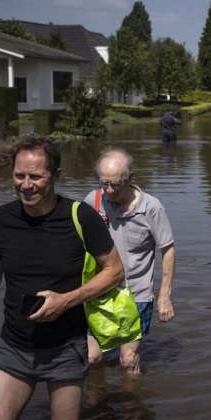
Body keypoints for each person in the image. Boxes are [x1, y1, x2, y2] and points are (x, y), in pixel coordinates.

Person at [0, 136, 125, 420]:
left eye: (36, 176)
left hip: (65, 348)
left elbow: (114, 271)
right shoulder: (2, 218)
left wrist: (67, 300)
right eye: (19, 176)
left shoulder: (80, 216)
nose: (26, 185)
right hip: (15, 345)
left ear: (56, 176)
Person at [83, 148, 175, 374]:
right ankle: (99, 393)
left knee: (128, 359)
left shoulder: (151, 207)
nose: (108, 190)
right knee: (92, 358)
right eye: (103, 183)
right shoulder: (94, 201)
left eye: (115, 184)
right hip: (101, 292)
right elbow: (77, 241)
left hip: (136, 294)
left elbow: (168, 249)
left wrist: (164, 296)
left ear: (129, 179)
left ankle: (132, 395)